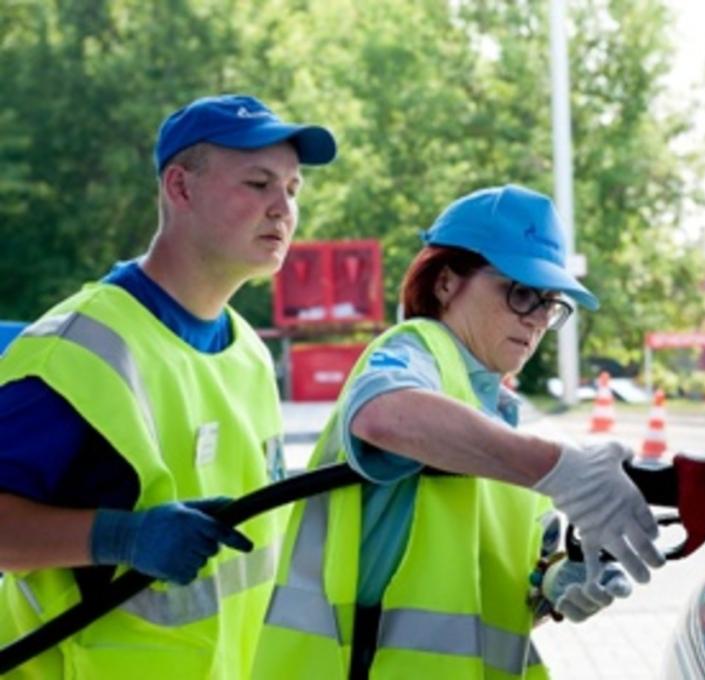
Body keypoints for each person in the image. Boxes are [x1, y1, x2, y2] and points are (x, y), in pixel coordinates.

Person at [252, 185, 664, 679]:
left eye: (549, 304)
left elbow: (503, 578)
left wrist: (555, 582)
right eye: (520, 293)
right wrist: (560, 468)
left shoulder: (500, 417)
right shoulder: (418, 348)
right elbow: (382, 414)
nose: (535, 320)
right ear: (446, 283)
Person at [0, 94, 336, 679]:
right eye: (258, 184)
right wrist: (120, 537)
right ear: (180, 188)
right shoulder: (78, 349)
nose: (282, 208)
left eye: (293, 188)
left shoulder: (248, 352)